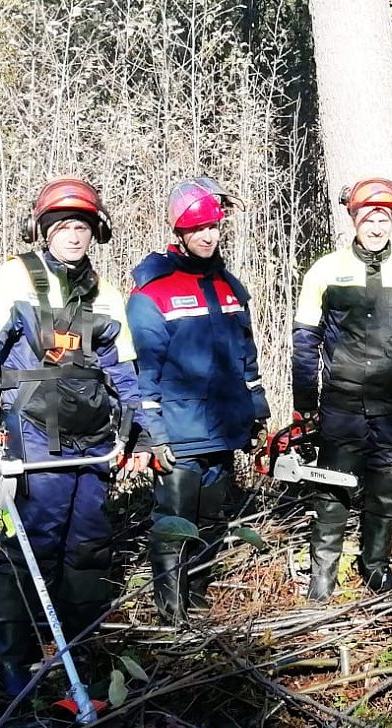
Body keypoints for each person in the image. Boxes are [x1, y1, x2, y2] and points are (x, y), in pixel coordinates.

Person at [0, 176, 145, 696]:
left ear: (95, 232)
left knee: (90, 544)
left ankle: (80, 648)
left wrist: (142, 435)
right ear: (43, 230)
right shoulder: (13, 279)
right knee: (32, 541)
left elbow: (123, 373)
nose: (74, 236)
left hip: (94, 438)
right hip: (32, 435)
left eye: (83, 226)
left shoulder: (107, 294)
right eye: (63, 226)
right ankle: (16, 661)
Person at [291, 178, 392, 602]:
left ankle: (375, 567)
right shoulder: (325, 270)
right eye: (368, 217)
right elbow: (305, 340)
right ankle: (323, 577)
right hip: (342, 402)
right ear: (353, 218)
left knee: (388, 486)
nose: (376, 226)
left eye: (384, 217)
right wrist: (305, 404)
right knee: (334, 487)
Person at [126, 177, 271, 624]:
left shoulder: (229, 286)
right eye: (198, 229)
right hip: (178, 432)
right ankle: (170, 607)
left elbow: (246, 357)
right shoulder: (153, 293)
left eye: (214, 227)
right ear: (180, 233)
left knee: (211, 518)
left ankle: (200, 592)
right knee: (173, 520)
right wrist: (152, 434)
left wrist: (257, 410)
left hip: (224, 427)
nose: (208, 236)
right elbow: (142, 372)